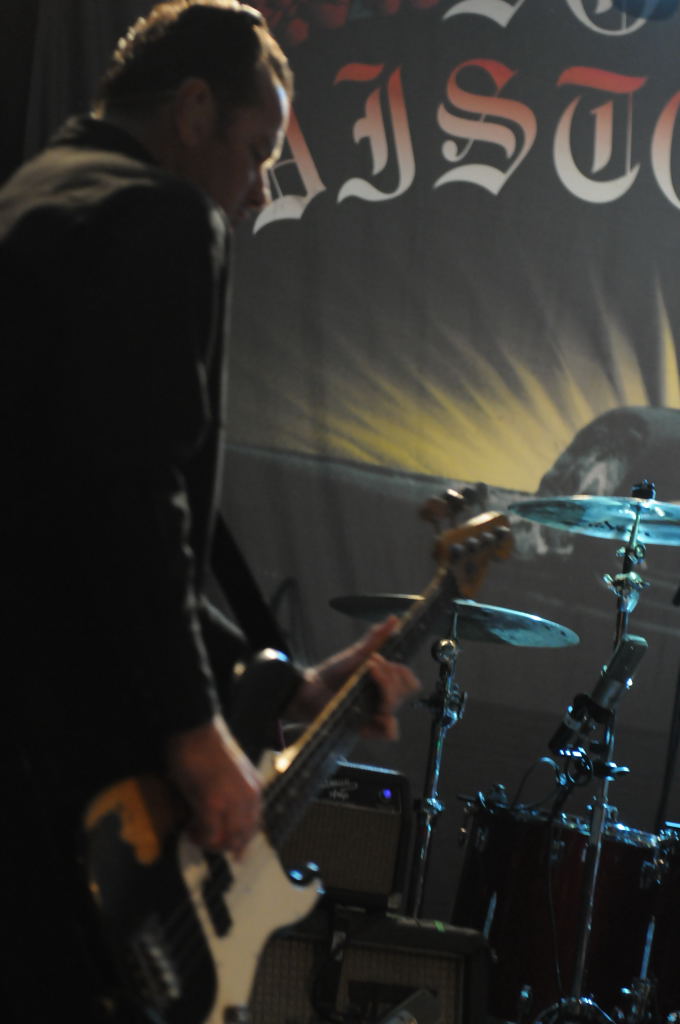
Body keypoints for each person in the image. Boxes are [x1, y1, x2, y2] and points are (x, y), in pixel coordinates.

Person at [0, 2, 419, 1020]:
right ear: (192, 109)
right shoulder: (160, 213)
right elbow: (135, 498)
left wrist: (282, 689)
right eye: (257, 151)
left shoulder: (34, 194)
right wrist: (196, 736)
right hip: (59, 766)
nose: (259, 189)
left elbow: (77, 516)